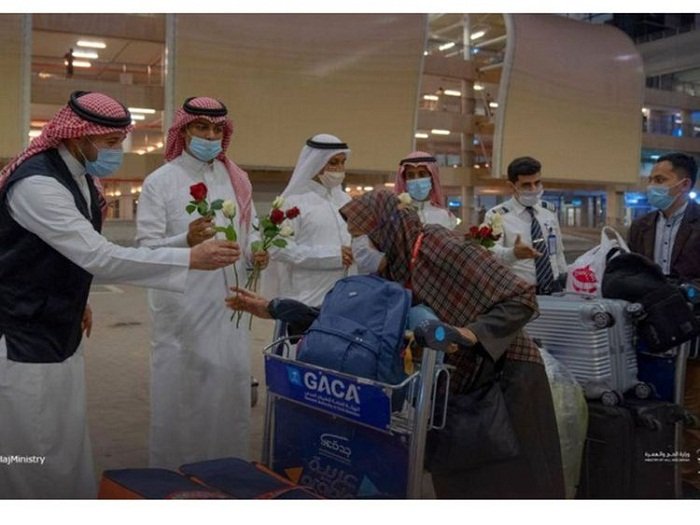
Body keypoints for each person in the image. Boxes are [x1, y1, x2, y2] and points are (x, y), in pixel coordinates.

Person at [231, 189, 566, 499]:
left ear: (386, 229)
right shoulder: (393, 269)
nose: (359, 245)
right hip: (455, 383)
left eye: (363, 235)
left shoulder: (441, 246)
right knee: (460, 482)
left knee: (513, 486)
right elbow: (350, 323)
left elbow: (521, 298)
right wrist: (274, 308)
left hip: (507, 379)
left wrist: (470, 333)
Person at [0, 91, 239, 499]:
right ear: (77, 136)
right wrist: (188, 259)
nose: (118, 152)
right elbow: (98, 256)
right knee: (32, 451)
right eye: (111, 142)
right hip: (24, 335)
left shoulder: (77, 176)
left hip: (58, 327)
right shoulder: (38, 184)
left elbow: (61, 253)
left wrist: (79, 298)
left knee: (63, 441)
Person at [135, 96, 267, 470]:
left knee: (228, 391)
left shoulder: (236, 178)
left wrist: (257, 252)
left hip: (229, 308)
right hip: (183, 310)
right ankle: (174, 477)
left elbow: (251, 230)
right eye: (201, 127)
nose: (210, 136)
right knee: (182, 396)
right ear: (184, 130)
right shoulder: (160, 182)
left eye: (216, 129)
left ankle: (226, 472)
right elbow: (145, 249)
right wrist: (185, 240)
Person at [628, 152, 700, 493]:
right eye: (651, 179)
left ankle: (690, 481)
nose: (652, 186)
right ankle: (654, 476)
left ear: (683, 185)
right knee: (652, 405)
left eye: (660, 180)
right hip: (649, 335)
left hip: (692, 334)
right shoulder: (641, 226)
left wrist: (685, 291)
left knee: (692, 411)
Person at [262, 133, 354, 307]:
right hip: (303, 300)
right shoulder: (291, 202)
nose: (339, 168)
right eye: (333, 162)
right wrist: (332, 256)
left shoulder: (346, 201)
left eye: (343, 162)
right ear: (316, 163)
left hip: (342, 300)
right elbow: (277, 249)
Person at [352, 151, 457, 275]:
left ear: (432, 177)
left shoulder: (445, 216)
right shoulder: (393, 214)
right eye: (411, 176)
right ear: (404, 180)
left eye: (422, 174)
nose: (416, 180)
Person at [484, 156, 567, 295]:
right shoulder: (496, 216)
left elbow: (558, 251)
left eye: (537, 183)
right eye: (526, 185)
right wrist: (513, 253)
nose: (534, 189)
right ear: (512, 186)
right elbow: (490, 252)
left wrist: (565, 280)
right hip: (519, 292)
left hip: (554, 289)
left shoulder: (549, 211)